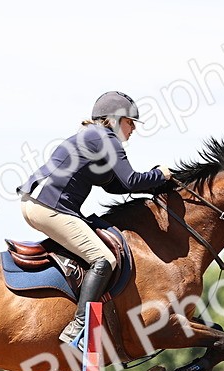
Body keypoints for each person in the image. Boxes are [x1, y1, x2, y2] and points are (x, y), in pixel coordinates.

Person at [18, 91, 173, 346]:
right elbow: (131, 180)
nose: (133, 128)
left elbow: (115, 186)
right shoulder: (107, 138)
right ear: (113, 119)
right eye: (130, 122)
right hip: (49, 208)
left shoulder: (91, 137)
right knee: (104, 259)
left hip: (35, 203)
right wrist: (160, 175)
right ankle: (79, 325)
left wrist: (154, 186)